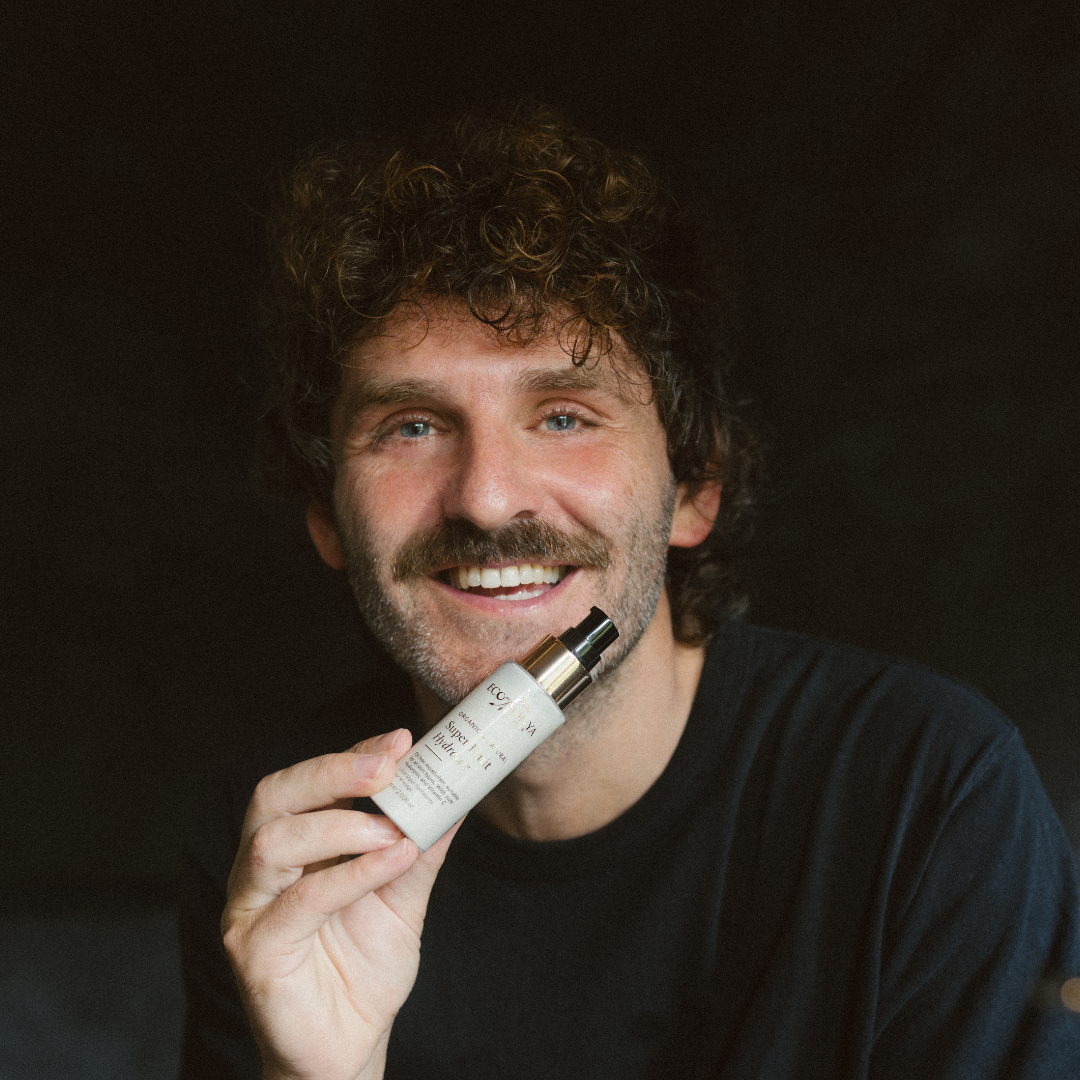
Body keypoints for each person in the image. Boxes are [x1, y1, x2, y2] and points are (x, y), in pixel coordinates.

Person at [179, 106, 1080, 1079]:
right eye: (410, 427)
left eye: (564, 416)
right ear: (326, 515)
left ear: (695, 487)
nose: (486, 497)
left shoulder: (926, 792)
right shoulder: (285, 847)